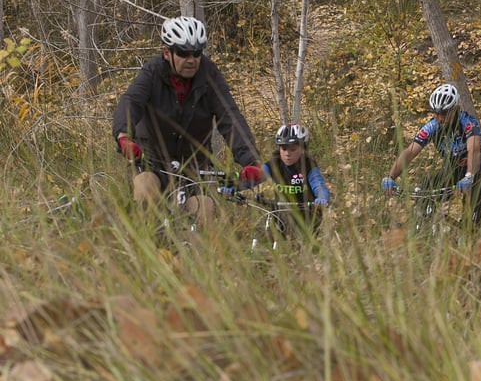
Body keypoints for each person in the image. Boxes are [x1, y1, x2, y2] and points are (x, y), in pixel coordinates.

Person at [112, 16, 263, 226]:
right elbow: (131, 101)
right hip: (153, 159)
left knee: (204, 210)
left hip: (194, 164)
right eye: (183, 53)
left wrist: (250, 160)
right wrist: (124, 136)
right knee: (147, 192)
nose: (191, 59)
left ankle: (198, 257)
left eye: (197, 53)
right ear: (167, 53)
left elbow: (229, 116)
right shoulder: (152, 72)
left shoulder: (209, 75)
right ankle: (144, 252)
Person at [381, 83, 481, 230]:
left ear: (455, 109)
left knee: (471, 223)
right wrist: (390, 177)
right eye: (437, 113)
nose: (440, 118)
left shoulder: (468, 123)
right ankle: (425, 228)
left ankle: (475, 234)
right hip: (453, 170)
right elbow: (410, 152)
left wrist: (470, 176)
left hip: (479, 171)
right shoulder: (432, 127)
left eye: (445, 113)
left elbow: (474, 149)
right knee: (426, 190)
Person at [257, 123, 331, 235]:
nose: (287, 153)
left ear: (302, 149)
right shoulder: (274, 164)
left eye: (293, 149)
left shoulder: (308, 166)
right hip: (280, 215)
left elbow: (319, 185)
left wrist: (322, 198)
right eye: (284, 148)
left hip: (307, 217)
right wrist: (233, 185)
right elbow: (253, 177)